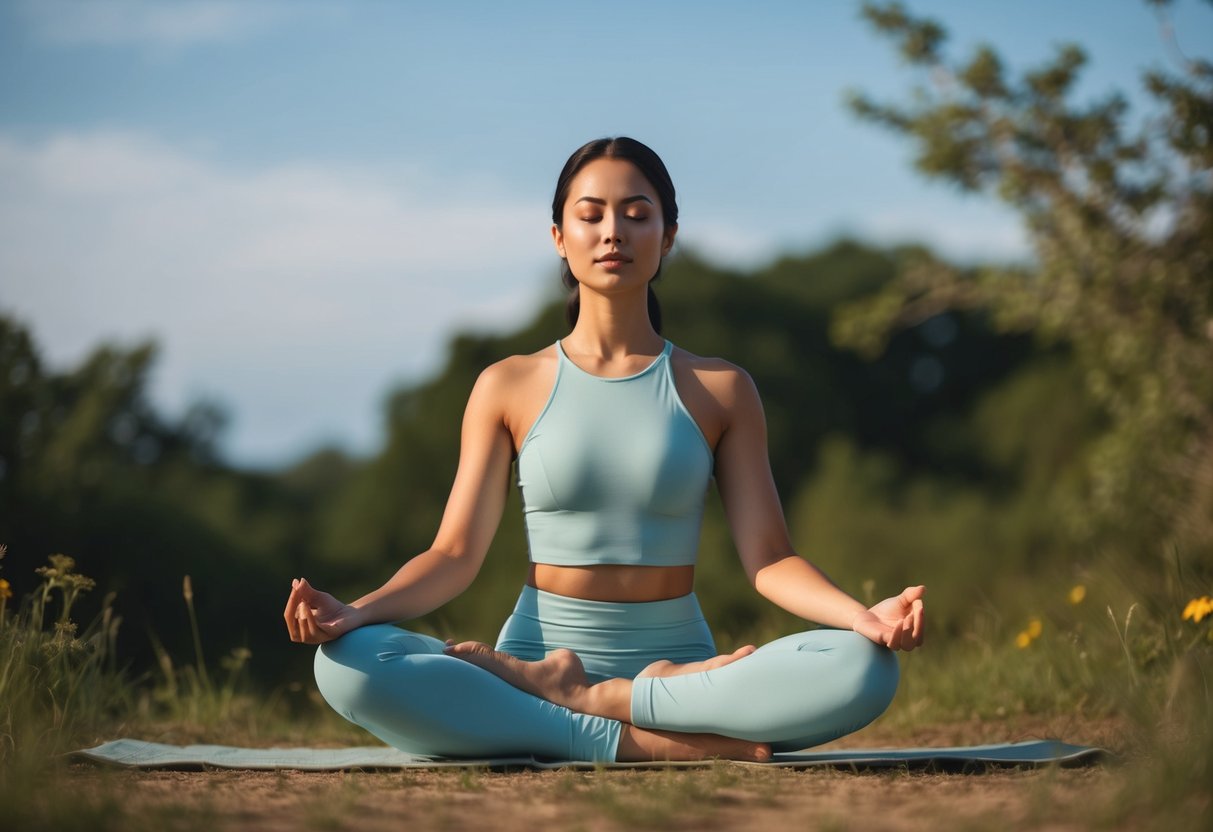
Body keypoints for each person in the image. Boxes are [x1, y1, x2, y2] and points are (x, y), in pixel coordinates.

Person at [283, 137, 925, 763]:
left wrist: (861, 616)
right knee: (347, 665)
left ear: (668, 236)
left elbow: (770, 558)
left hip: (680, 670)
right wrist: (356, 613)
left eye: (637, 215)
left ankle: (589, 703)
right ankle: (635, 739)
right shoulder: (507, 385)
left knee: (864, 670)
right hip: (536, 651)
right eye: (590, 215)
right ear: (559, 236)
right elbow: (453, 555)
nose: (613, 231)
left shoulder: (720, 389)